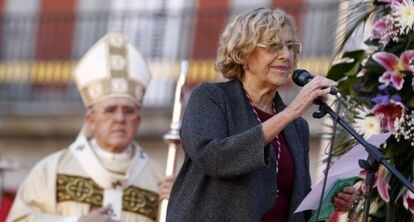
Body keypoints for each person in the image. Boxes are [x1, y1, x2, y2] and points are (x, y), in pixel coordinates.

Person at [167, 8, 355, 222]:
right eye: (273, 46)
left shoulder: (297, 127)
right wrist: (291, 111)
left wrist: (329, 201)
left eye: (290, 46)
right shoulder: (211, 97)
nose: (286, 55)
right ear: (243, 54)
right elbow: (213, 158)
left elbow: (295, 203)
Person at [7, 32, 174, 222]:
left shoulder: (158, 178)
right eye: (110, 110)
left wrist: (181, 204)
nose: (120, 118)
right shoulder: (52, 170)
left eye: (128, 111)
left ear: (138, 121)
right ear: (91, 120)